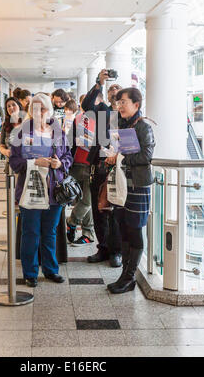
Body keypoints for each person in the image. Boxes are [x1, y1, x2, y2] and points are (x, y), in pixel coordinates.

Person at [9, 93, 73, 287]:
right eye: (35, 108)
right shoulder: (21, 132)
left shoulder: (58, 132)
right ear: (30, 111)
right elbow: (14, 162)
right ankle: (30, 272)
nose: (39, 112)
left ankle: (51, 269)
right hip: (31, 189)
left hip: (54, 191)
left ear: (49, 110)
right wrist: (34, 161)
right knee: (30, 232)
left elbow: (69, 157)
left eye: (43, 108)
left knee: (50, 232)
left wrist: (60, 163)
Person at [106, 87, 155, 294]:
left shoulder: (144, 126)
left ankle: (129, 276)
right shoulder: (122, 125)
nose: (120, 106)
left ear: (136, 104)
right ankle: (125, 277)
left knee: (134, 231)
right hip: (123, 185)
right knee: (124, 229)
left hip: (138, 186)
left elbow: (146, 156)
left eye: (123, 102)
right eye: (118, 103)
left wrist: (121, 158)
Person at [81, 69, 123, 267]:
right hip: (99, 165)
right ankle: (103, 247)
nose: (114, 90)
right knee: (99, 209)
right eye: (111, 88)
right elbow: (86, 104)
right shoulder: (101, 110)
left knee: (114, 211)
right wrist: (100, 82)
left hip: (119, 169)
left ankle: (116, 251)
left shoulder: (126, 116)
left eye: (118, 88)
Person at [66, 96, 95, 246]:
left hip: (92, 167)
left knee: (87, 201)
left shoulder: (102, 120)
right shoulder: (78, 119)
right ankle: (88, 232)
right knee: (80, 200)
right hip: (77, 164)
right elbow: (69, 141)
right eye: (84, 105)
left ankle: (72, 221)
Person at [0, 97, 22, 173]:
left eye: (13, 105)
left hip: (25, 165)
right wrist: (5, 151)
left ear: (19, 106)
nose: (11, 107)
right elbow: (1, 145)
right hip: (10, 165)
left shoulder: (27, 122)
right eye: (8, 106)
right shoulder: (5, 125)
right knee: (11, 184)